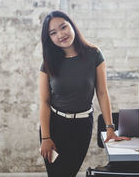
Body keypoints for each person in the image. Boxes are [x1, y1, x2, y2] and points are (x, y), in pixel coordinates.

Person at [39, 10, 130, 177]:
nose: (60, 35)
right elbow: (44, 101)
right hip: (54, 126)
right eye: (53, 33)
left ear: (72, 25)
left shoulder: (94, 54)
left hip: (81, 126)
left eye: (63, 27)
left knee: (69, 173)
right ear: (50, 39)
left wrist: (110, 128)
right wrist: (45, 138)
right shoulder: (48, 62)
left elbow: (102, 93)